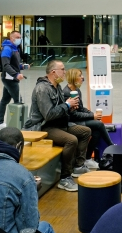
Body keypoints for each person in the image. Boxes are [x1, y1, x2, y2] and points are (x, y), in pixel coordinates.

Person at [25, 60, 92, 192]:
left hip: (59, 124)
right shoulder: (42, 89)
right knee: (71, 140)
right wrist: (67, 105)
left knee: (85, 131)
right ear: (53, 72)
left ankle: (78, 166)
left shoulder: (57, 86)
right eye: (63, 69)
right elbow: (49, 115)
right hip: (44, 127)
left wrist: (71, 108)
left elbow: (61, 110)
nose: (65, 72)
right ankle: (64, 178)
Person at [63, 68, 113, 167]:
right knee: (99, 124)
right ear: (74, 78)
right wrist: (92, 116)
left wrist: (91, 114)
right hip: (72, 122)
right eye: (80, 76)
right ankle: (111, 145)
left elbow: (81, 108)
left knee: (97, 131)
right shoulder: (67, 93)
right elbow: (73, 115)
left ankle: (88, 157)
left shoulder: (76, 90)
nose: (82, 78)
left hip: (78, 119)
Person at [0, 30, 29, 130]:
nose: (20, 39)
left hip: (11, 78)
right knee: (18, 100)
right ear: (11, 38)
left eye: (20, 37)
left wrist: (22, 66)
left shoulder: (15, 48)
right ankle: (20, 124)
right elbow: (5, 65)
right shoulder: (7, 49)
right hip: (9, 79)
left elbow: (14, 64)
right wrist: (16, 75)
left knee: (5, 100)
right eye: (18, 37)